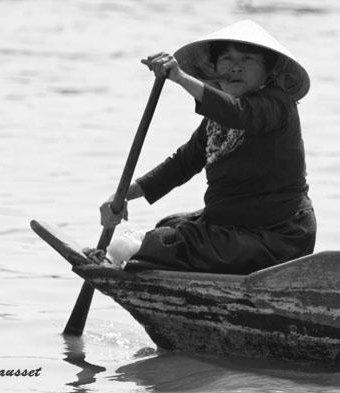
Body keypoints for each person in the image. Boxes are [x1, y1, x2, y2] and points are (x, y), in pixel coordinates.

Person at [98, 20, 316, 274]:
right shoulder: (215, 121)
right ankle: (124, 259)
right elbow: (183, 163)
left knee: (165, 245)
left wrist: (180, 78)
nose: (236, 66)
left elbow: (239, 113)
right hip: (231, 228)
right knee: (168, 226)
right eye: (227, 59)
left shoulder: (277, 105)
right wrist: (123, 196)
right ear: (215, 70)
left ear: (268, 72)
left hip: (276, 237)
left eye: (248, 59)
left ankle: (124, 256)